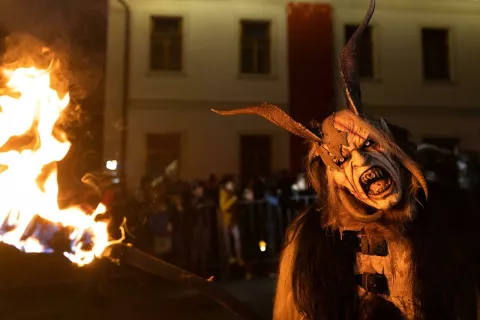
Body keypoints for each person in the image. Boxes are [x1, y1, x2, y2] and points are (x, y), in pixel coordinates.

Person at [212, 1, 479, 318]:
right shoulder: (310, 240)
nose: (362, 164)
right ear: (331, 177)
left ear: (393, 146)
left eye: (368, 145)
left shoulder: (457, 218)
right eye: (341, 160)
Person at [218, 175, 244, 266]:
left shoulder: (232, 193)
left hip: (233, 220)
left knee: (237, 239)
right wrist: (233, 200)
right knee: (228, 242)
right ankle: (230, 258)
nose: (233, 184)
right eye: (231, 183)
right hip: (226, 221)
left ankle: (238, 257)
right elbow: (224, 207)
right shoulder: (224, 193)